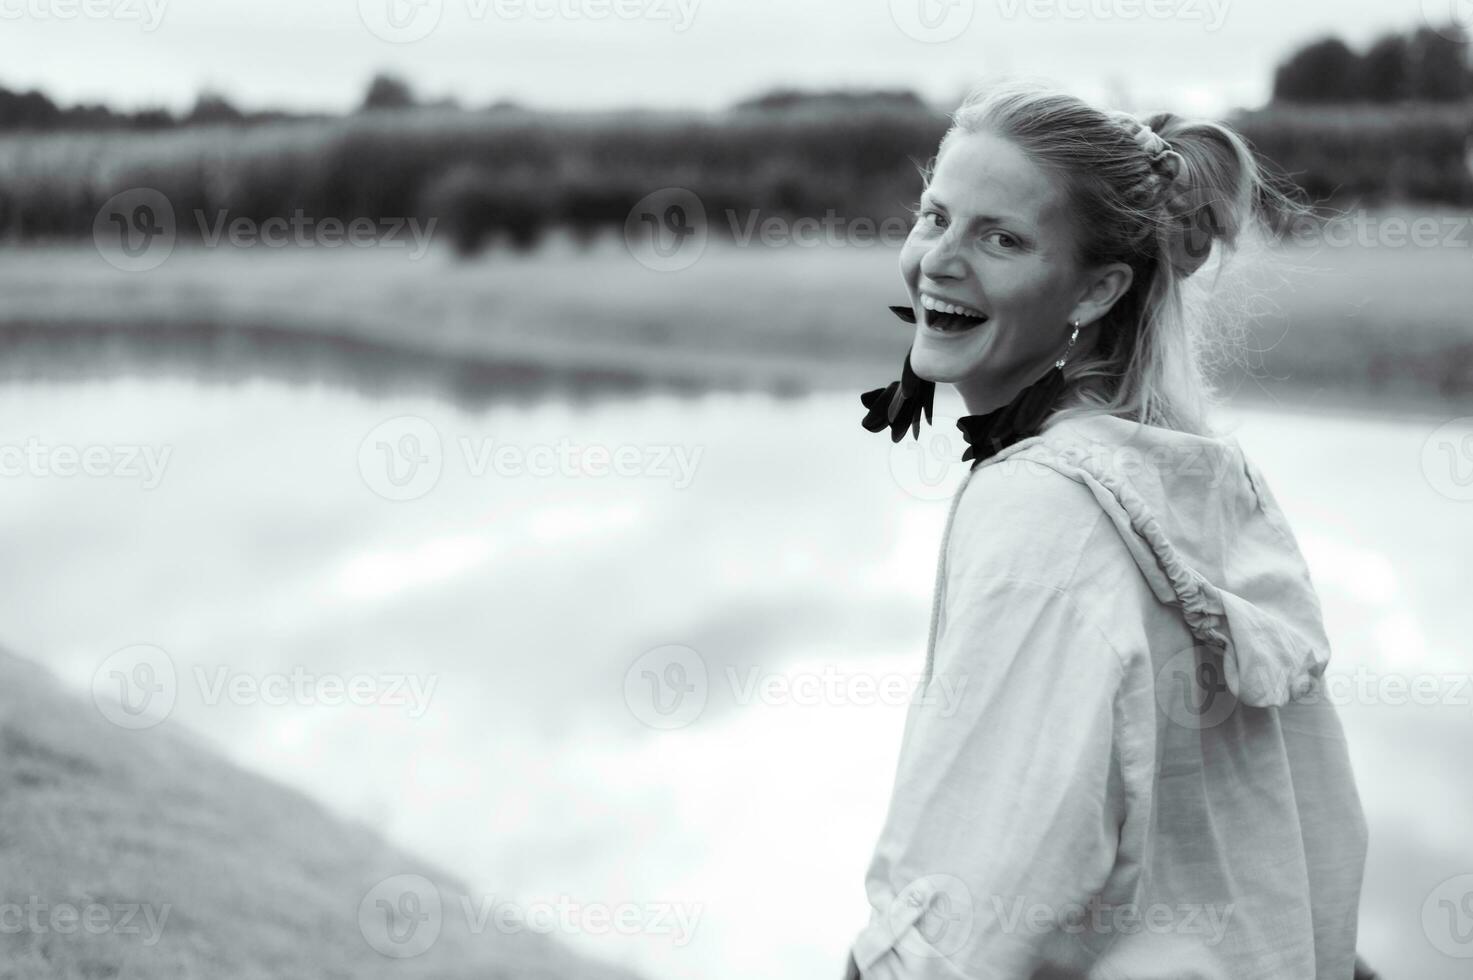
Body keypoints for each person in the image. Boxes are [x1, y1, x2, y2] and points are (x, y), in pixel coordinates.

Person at [849, 80, 1372, 979]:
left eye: (1000, 237)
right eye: (934, 216)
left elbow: (965, 914)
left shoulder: (1041, 508)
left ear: (1097, 289)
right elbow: (1306, 846)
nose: (938, 258)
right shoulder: (1204, 476)